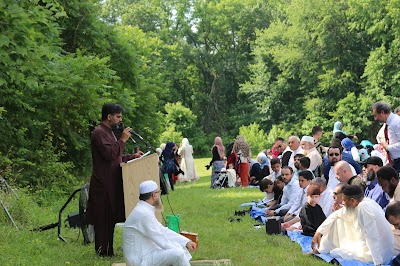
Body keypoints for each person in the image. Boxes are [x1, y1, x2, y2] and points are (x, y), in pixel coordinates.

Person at [87, 103, 143, 256]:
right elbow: (109, 154)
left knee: (110, 218)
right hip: (103, 184)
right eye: (118, 116)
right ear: (109, 116)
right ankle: (102, 251)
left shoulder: (109, 132)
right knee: (102, 218)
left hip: (111, 183)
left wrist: (132, 157)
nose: (120, 120)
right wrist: (123, 140)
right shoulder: (99, 132)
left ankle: (108, 250)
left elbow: (116, 157)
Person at [312, 185, 393, 265]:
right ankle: (321, 250)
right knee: (338, 219)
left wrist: (378, 263)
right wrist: (319, 231)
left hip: (376, 256)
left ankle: (322, 250)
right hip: (384, 253)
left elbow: (372, 236)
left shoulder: (363, 208)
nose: (342, 203)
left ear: (352, 200)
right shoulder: (366, 202)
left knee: (335, 252)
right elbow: (338, 214)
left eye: (344, 200)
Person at [123, 180, 197, 266]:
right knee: (178, 253)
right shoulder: (143, 213)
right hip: (140, 260)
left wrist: (185, 242)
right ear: (154, 195)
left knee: (178, 249)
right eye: (159, 192)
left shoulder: (144, 210)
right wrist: (179, 248)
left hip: (147, 253)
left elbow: (162, 231)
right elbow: (160, 238)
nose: (160, 195)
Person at [373, 101, 400, 172]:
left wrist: (388, 147)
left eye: (376, 115)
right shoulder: (387, 124)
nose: (375, 119)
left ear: (382, 113)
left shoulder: (397, 122)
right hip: (394, 161)